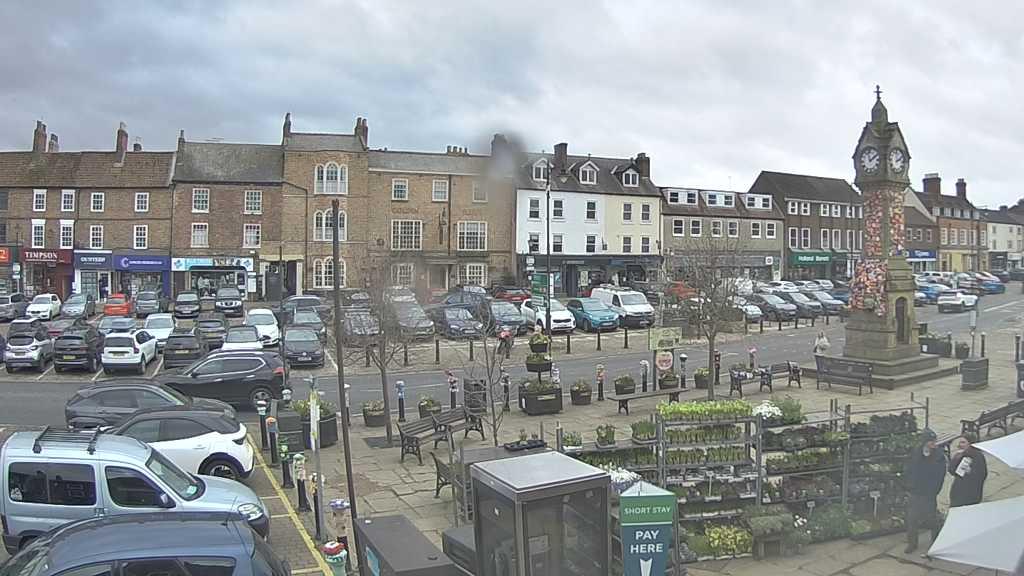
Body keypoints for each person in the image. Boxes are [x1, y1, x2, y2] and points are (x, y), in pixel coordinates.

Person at [904, 428, 947, 555]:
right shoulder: (916, 452)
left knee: (931, 518)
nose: (934, 443)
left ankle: (936, 542)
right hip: (916, 491)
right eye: (931, 441)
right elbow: (909, 469)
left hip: (929, 493)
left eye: (934, 441)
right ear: (924, 442)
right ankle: (912, 543)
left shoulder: (939, 456)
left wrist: (935, 491)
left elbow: (940, 475)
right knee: (912, 518)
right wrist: (909, 486)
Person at [948, 434, 987, 507]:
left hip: (971, 493)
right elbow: (951, 470)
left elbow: (982, 475)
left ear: (970, 444)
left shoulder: (978, 456)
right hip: (958, 490)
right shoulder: (960, 454)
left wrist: (970, 471)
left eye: (963, 442)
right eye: (960, 442)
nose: (960, 445)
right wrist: (956, 458)